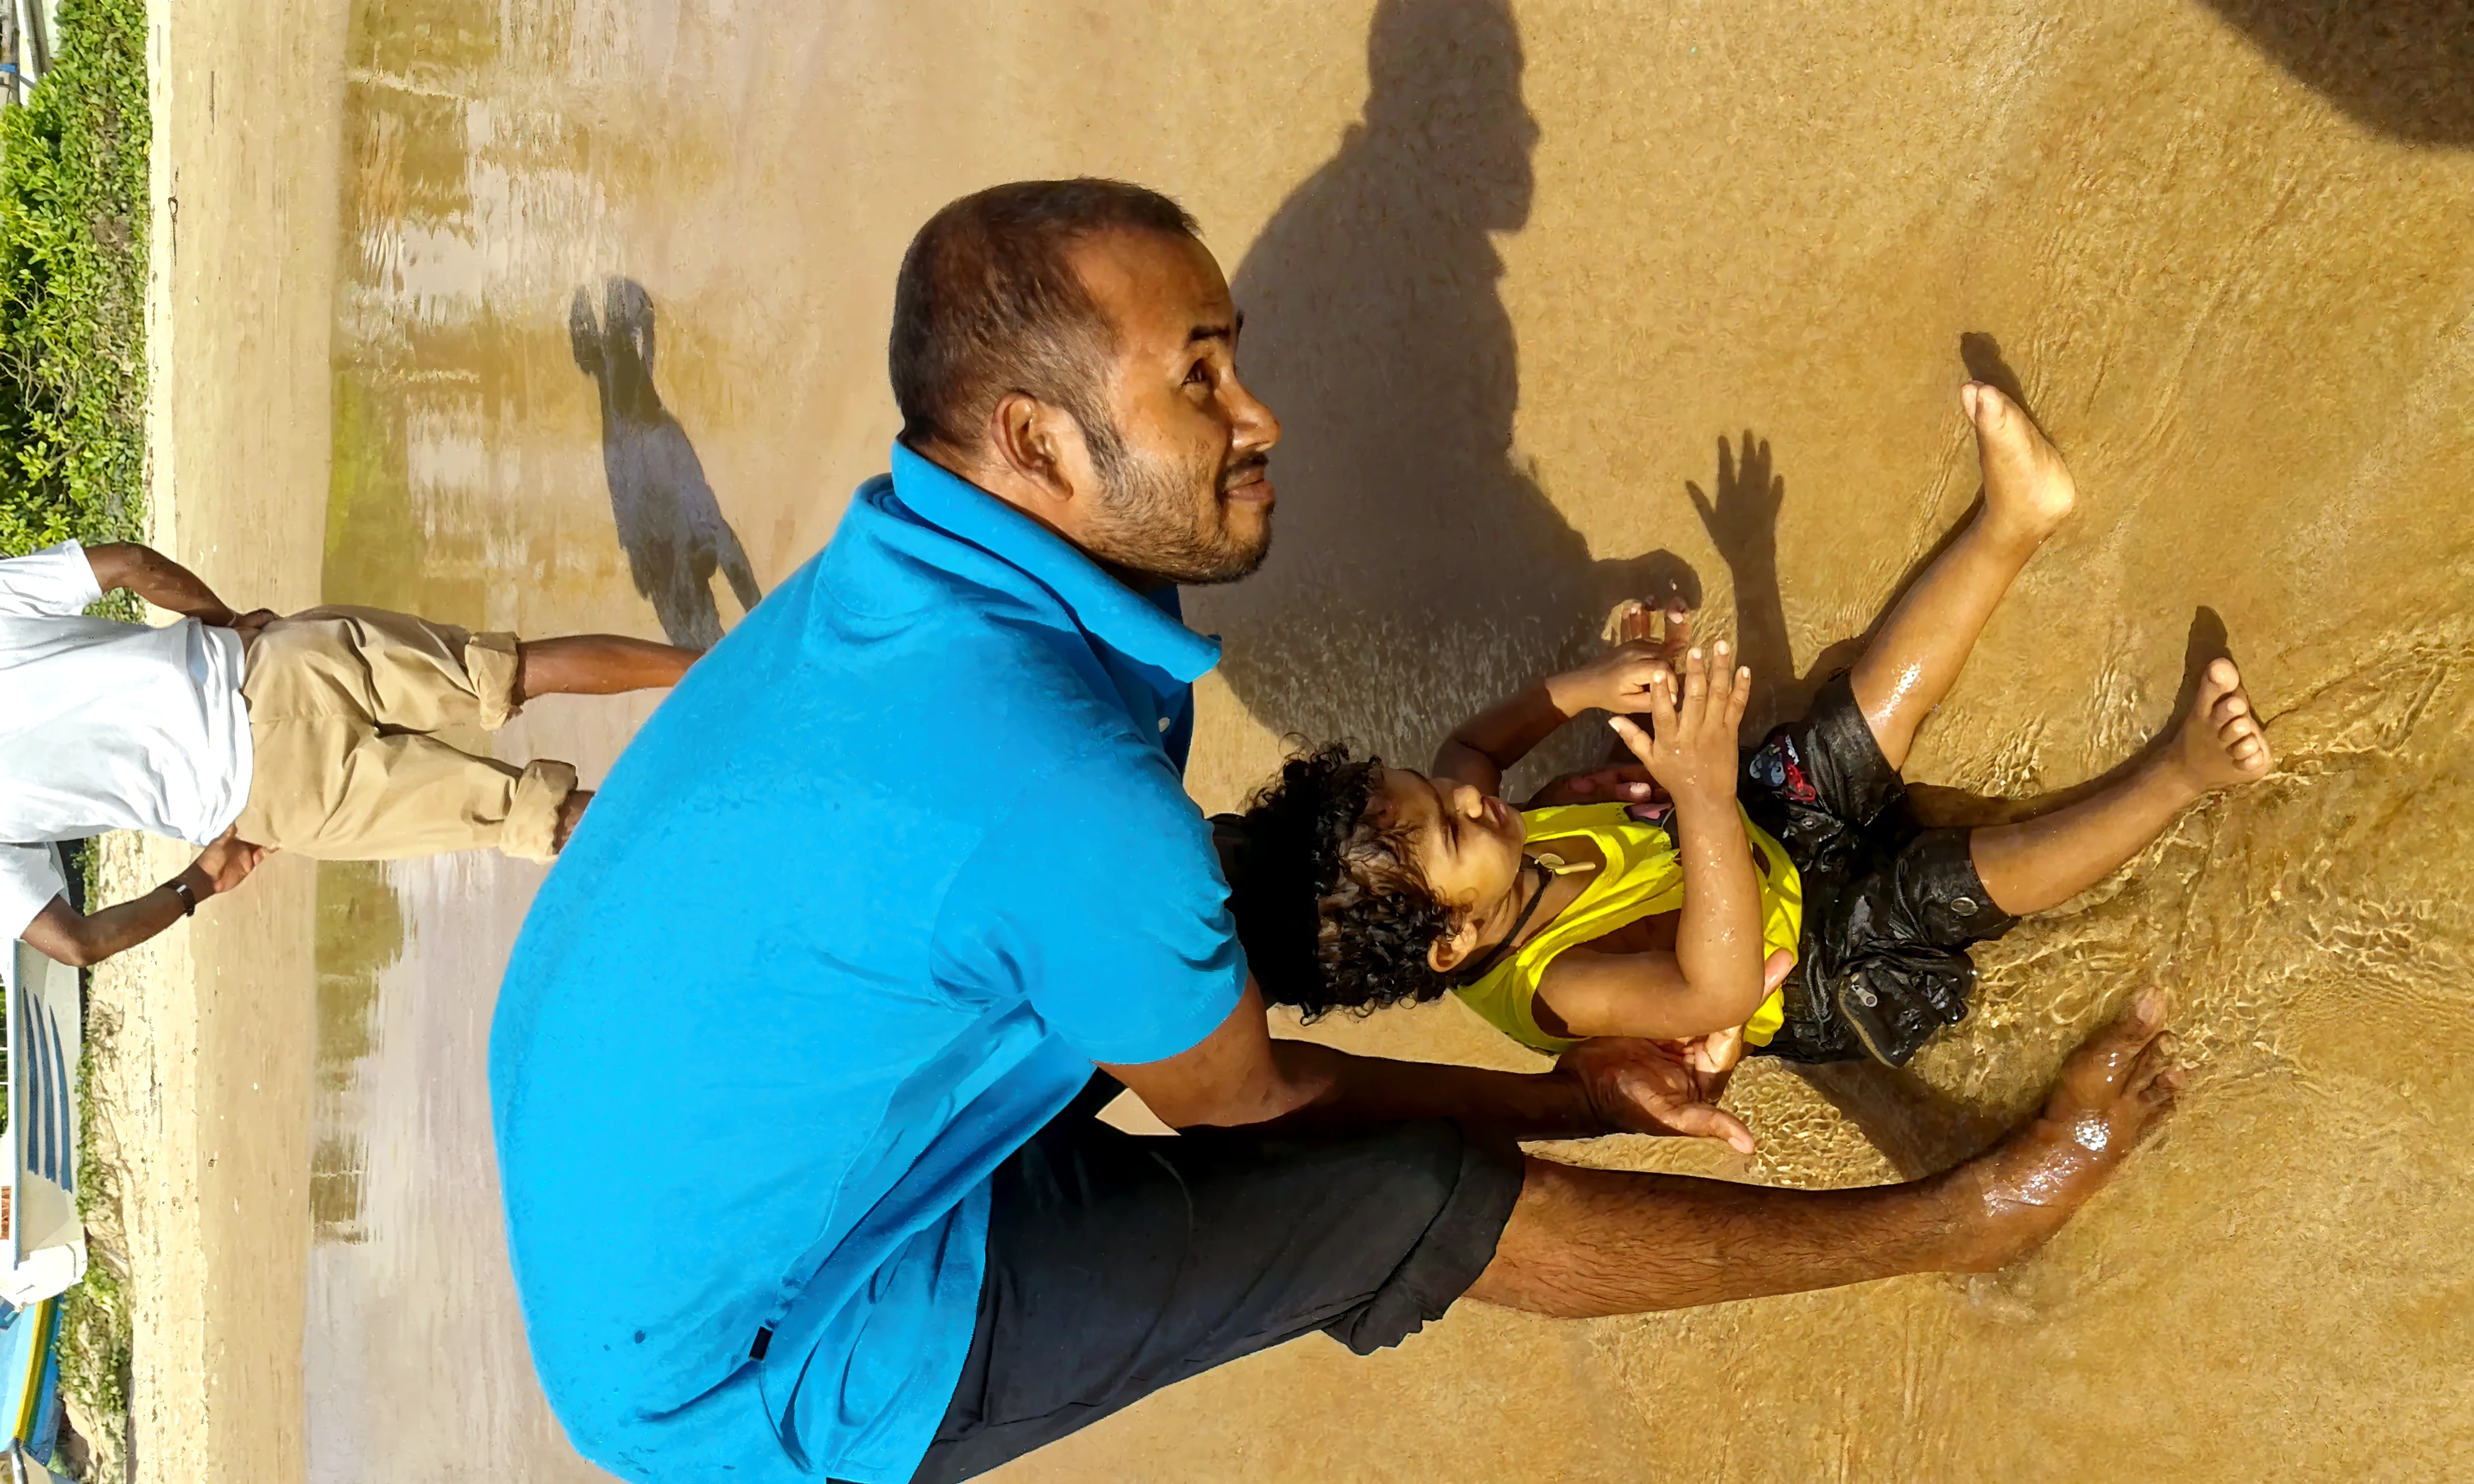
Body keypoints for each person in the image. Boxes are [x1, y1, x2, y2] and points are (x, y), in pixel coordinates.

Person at [487, 179, 2186, 1484]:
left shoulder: (922, 576)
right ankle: (1964, 1221)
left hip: (694, 1154)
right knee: (1384, 1201)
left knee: (1152, 966)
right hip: (747, 1345)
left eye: (1238, 354)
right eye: (1201, 376)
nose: (1261, 414)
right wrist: (1553, 1103)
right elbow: (1264, 1109)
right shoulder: (1060, 779)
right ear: (1029, 443)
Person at [1225, 385, 2275, 1070]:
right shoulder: (1557, 990)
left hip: (1751, 839)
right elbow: (1717, 987)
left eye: (1428, 787)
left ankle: (2015, 523)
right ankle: (2181, 776)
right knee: (1953, 879)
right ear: (1453, 940)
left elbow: (1471, 749)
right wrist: (1695, 788)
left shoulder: (1477, 827)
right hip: (1812, 968)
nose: (1466, 795)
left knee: (1851, 721)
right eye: (1454, 828)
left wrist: (1594, 688)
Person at [0, 538, 699, 966]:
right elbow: (128, 564)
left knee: (532, 815)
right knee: (514, 670)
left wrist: (200, 884)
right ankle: (741, 666)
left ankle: (731, 828)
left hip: (274, 792)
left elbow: (79, 944)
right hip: (272, 664)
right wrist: (229, 623)